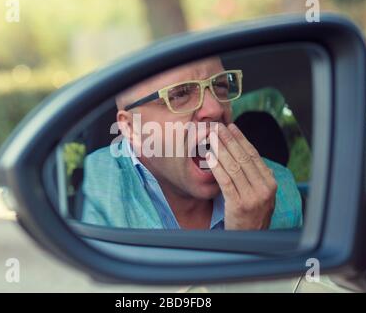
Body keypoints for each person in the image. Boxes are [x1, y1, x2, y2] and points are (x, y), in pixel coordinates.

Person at [81, 57, 302, 230]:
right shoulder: (95, 189)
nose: (215, 109)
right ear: (131, 128)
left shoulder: (278, 188)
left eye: (221, 86)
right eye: (179, 95)